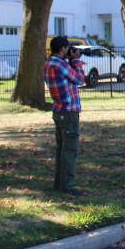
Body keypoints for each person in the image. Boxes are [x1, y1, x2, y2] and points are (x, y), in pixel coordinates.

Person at [44, 36, 86, 196]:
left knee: (61, 149)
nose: (69, 50)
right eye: (67, 48)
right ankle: (68, 186)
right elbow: (80, 79)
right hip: (69, 112)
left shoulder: (48, 63)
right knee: (70, 150)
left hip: (58, 110)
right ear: (62, 49)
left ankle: (59, 183)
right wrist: (76, 61)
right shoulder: (61, 65)